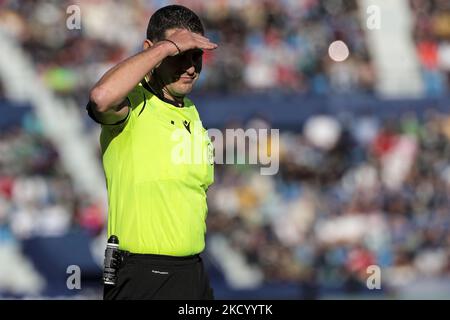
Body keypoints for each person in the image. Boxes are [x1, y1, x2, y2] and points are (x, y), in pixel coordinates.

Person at [86, 5, 218, 300]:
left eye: (196, 56)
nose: (190, 67)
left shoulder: (191, 111)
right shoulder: (134, 103)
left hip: (193, 272)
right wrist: (166, 48)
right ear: (152, 50)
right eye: (178, 56)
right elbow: (101, 98)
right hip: (144, 275)